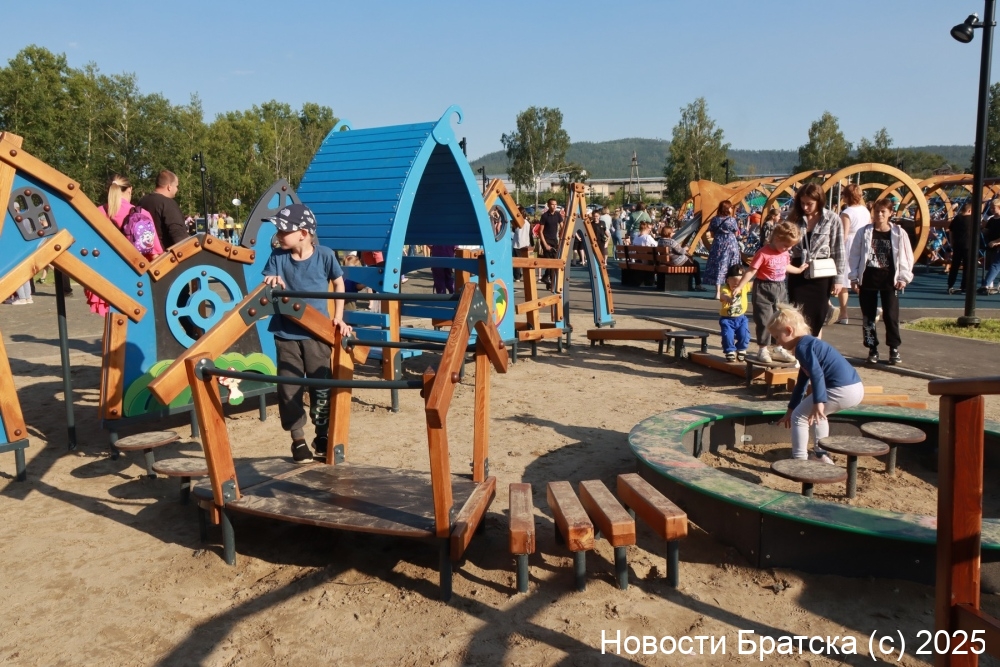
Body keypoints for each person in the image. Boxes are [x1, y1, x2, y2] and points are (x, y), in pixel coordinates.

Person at [263, 204, 351, 464]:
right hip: (285, 333)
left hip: (317, 333)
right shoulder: (278, 257)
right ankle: (298, 439)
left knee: (320, 385)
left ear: (303, 233)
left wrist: (339, 316)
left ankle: (322, 434)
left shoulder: (324, 255)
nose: (279, 235)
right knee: (288, 387)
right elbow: (267, 283)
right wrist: (272, 282)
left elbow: (338, 283)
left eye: (283, 231)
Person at [772, 305, 864, 463]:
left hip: (840, 389)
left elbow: (816, 373)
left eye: (777, 337)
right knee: (817, 415)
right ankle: (821, 454)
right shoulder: (809, 344)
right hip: (855, 388)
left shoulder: (803, 347)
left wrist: (818, 402)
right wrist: (790, 410)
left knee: (800, 416)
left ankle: (799, 460)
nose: (777, 342)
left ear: (789, 330)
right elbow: (801, 383)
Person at [725, 221, 808, 363]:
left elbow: (786, 266)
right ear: (776, 238)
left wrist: (798, 270)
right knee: (764, 319)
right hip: (763, 288)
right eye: (786, 245)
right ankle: (763, 349)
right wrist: (740, 286)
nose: (788, 249)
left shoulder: (784, 253)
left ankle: (778, 348)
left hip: (780, 287)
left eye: (790, 247)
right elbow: (751, 271)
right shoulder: (763, 253)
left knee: (782, 318)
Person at [848, 198, 914, 366]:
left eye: (883, 211)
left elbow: (906, 257)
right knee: (868, 317)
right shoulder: (864, 232)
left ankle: (894, 348)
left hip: (890, 282)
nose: (879, 215)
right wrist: (854, 277)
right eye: (877, 211)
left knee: (891, 316)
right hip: (868, 280)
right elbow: (854, 255)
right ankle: (872, 348)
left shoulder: (899, 233)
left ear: (890, 213)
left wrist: (904, 277)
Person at [88, 175, 164, 315]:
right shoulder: (141, 214)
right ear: (129, 190)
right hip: (135, 276)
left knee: (111, 320)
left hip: (105, 274)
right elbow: (154, 252)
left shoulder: (97, 212)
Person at [786, 183, 847, 337]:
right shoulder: (794, 218)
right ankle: (799, 348)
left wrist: (838, 279)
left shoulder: (832, 219)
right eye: (802, 203)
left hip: (821, 271)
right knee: (797, 315)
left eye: (809, 204)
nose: (805, 207)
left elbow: (838, 250)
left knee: (817, 316)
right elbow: (783, 243)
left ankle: (813, 348)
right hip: (798, 270)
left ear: (819, 201)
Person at [836, 184, 870, 324]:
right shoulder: (865, 210)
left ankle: (844, 313)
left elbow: (844, 234)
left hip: (850, 244)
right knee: (860, 279)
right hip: (863, 243)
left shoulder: (847, 212)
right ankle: (869, 310)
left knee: (844, 281)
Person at [138, 170, 189, 249]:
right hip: (164, 253)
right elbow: (177, 233)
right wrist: (188, 249)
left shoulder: (142, 201)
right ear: (169, 187)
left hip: (144, 250)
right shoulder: (168, 203)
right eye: (176, 186)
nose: (177, 189)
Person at [703, 200, 742, 299]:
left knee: (719, 266)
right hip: (731, 244)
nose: (732, 208)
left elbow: (711, 233)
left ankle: (717, 292)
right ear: (727, 208)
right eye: (730, 207)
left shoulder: (715, 219)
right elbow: (736, 232)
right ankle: (732, 290)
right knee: (732, 266)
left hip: (718, 244)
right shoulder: (731, 220)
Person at [718, 264, 751, 362]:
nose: (736, 286)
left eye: (739, 283)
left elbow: (754, 283)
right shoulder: (725, 288)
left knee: (744, 334)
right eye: (733, 283)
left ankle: (741, 349)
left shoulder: (744, 287)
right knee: (727, 335)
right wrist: (728, 298)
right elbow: (722, 295)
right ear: (728, 280)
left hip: (741, 318)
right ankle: (730, 350)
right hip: (727, 319)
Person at [657, 226, 704, 291]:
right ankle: (698, 284)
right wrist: (686, 248)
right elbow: (681, 252)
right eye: (672, 232)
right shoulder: (671, 242)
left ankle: (697, 284)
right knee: (696, 264)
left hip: (665, 261)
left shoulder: (660, 241)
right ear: (669, 233)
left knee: (692, 261)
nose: (673, 233)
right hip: (676, 261)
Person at [947, 202, 974, 294]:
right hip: (969, 245)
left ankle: (950, 284)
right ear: (970, 210)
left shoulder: (957, 218)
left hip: (957, 245)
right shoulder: (972, 219)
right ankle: (964, 286)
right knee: (967, 267)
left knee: (955, 265)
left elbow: (951, 231)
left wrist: (952, 242)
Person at [538, 198, 563, 290]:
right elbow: (540, 232)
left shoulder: (558, 215)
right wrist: (545, 245)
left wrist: (561, 239)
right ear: (548, 205)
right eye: (552, 204)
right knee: (550, 262)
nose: (554, 206)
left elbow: (562, 227)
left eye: (555, 204)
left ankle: (547, 279)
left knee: (554, 262)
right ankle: (551, 282)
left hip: (554, 241)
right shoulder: (545, 216)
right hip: (546, 240)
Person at [978, 199, 1000, 295]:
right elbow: (987, 230)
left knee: (995, 265)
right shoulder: (992, 219)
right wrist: (982, 230)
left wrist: (996, 242)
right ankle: (988, 285)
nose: (991, 210)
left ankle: (986, 284)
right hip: (992, 245)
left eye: (993, 208)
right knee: (992, 264)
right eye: (991, 208)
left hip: (996, 244)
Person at [512, 206, 532, 282]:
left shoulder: (517, 223)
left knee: (517, 261)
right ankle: (525, 275)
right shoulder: (527, 222)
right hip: (526, 243)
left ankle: (517, 276)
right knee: (525, 261)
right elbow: (529, 234)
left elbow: (516, 231)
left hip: (518, 244)